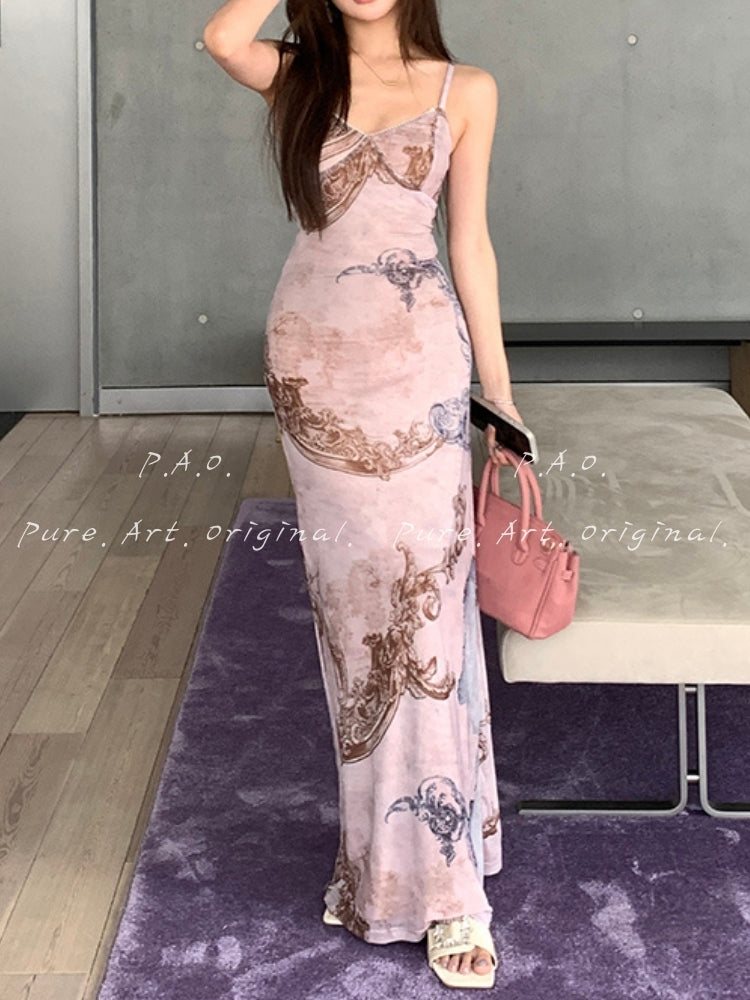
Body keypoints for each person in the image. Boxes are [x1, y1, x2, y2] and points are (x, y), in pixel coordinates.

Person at [203, 0, 524, 988]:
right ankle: (388, 863)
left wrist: (502, 395)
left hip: (421, 372)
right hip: (315, 371)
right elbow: (222, 38)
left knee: (428, 613)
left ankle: (450, 884)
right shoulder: (299, 75)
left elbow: (472, 245)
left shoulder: (465, 90)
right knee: (359, 627)